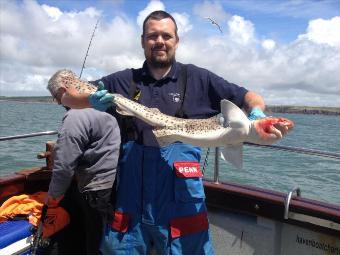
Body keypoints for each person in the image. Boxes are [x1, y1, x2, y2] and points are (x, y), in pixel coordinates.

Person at [57, 10, 291, 255]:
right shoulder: (123, 81)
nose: (160, 41)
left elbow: (249, 97)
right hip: (131, 195)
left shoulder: (199, 78)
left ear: (176, 41)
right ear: (142, 41)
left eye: (166, 36)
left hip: (182, 200)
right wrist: (90, 100)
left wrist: (257, 113)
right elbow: (66, 97)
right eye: (152, 36)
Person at [46, 81, 121, 255]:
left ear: (64, 91)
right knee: (105, 239)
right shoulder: (108, 109)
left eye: (57, 97)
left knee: (94, 243)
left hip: (95, 190)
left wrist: (53, 198)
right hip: (115, 184)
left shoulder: (75, 116)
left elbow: (64, 166)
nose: (58, 103)